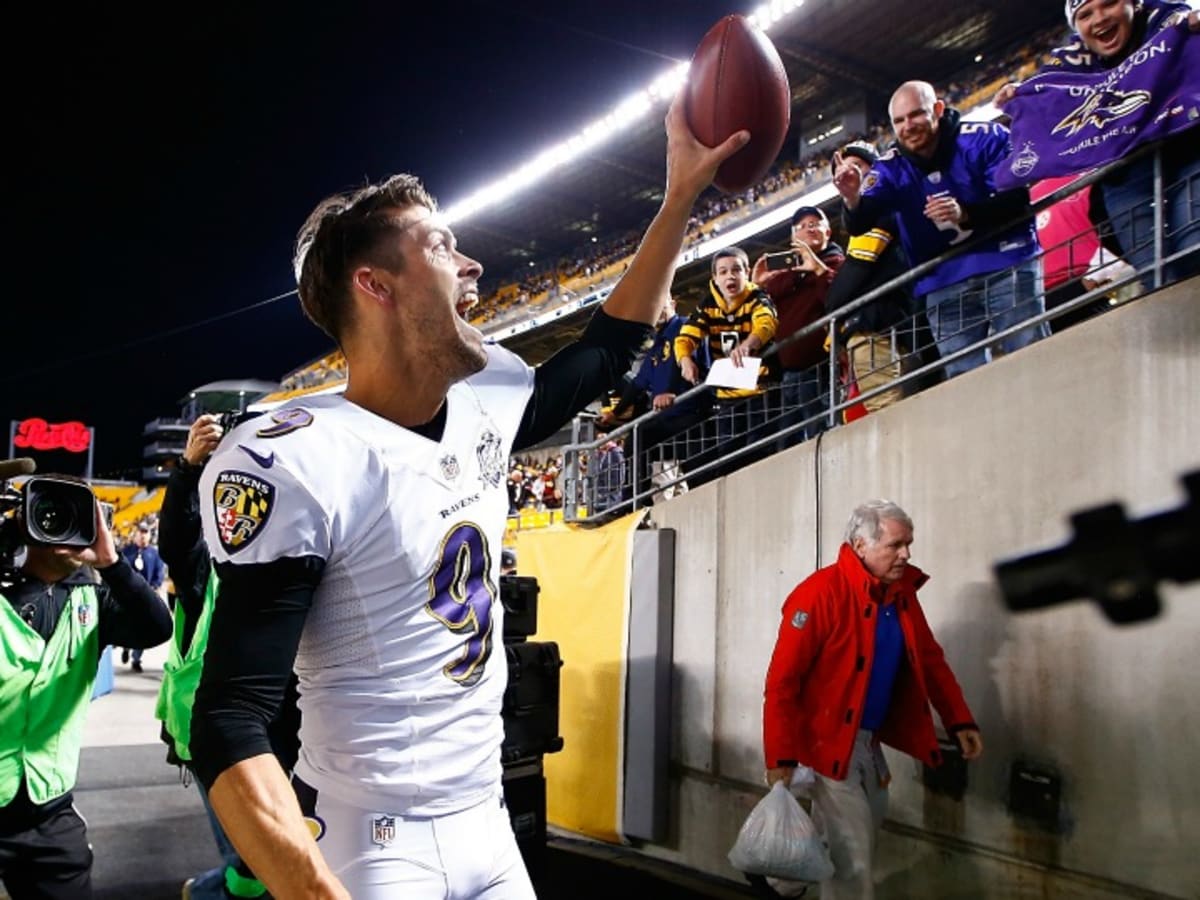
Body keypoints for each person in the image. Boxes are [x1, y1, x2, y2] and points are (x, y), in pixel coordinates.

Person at [189, 90, 749, 900]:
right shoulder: (300, 456)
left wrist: (680, 199)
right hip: (372, 842)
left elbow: (606, 351)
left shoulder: (484, 404)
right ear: (375, 286)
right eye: (443, 245)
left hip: (487, 816)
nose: (474, 263)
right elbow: (229, 719)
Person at [762, 500, 983, 900]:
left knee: (862, 825)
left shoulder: (900, 596)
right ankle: (791, 882)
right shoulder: (818, 595)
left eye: (909, 544)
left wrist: (959, 720)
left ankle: (782, 882)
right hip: (825, 742)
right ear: (861, 546)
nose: (907, 554)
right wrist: (779, 757)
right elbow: (782, 683)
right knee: (854, 856)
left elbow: (929, 660)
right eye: (896, 545)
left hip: (864, 742)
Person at [1, 491, 172, 898]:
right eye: (52, 513)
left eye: (81, 517)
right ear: (25, 522)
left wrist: (113, 565)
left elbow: (156, 628)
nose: (67, 526)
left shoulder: (94, 601)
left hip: (50, 816)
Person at [155, 414, 294, 900]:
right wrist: (190, 468)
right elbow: (175, 543)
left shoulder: (293, 559)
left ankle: (211, 888)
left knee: (270, 856)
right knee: (252, 860)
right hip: (214, 734)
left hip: (287, 731)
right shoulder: (204, 567)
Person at [834, 80, 1048, 379]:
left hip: (1005, 261)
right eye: (899, 120)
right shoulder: (890, 168)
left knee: (1032, 359)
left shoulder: (984, 138)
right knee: (965, 381)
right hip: (943, 283)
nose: (908, 126)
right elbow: (859, 223)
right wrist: (852, 198)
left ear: (938, 108)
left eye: (915, 115)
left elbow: (1017, 198)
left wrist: (966, 213)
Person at [994, 0, 1199, 283]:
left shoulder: (1166, 17)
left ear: (1134, 4)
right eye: (1085, 14)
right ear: (1076, 26)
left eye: (1109, 4)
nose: (1099, 19)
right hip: (1124, 178)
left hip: (1190, 154)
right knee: (1158, 275)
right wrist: (1021, 94)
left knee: (1194, 248)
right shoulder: (1074, 55)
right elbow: (1046, 83)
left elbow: (1182, 23)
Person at [824, 141, 937, 412]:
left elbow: (854, 275)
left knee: (889, 414)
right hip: (898, 326)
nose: (848, 173)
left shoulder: (885, 210)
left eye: (857, 166)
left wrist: (831, 309)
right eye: (842, 169)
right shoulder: (864, 220)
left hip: (881, 329)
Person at [674, 246, 778, 479]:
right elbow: (685, 338)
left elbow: (767, 323)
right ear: (715, 278)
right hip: (727, 397)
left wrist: (749, 343)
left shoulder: (758, 297)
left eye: (736, 270)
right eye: (723, 272)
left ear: (746, 272)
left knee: (760, 452)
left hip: (760, 392)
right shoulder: (707, 305)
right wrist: (685, 360)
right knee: (728, 457)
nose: (730, 276)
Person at [750, 205, 844, 448]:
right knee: (787, 445)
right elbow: (762, 316)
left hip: (823, 366)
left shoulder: (838, 263)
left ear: (828, 232)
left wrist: (817, 269)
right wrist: (756, 287)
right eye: (801, 227)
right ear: (793, 238)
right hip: (790, 373)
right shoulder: (784, 274)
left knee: (823, 437)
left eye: (814, 224)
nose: (808, 229)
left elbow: (839, 299)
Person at [597, 293, 706, 501]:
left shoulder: (685, 327)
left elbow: (686, 361)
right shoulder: (656, 345)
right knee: (638, 439)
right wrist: (615, 413)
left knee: (698, 472)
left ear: (673, 304)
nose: (656, 312)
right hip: (667, 418)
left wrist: (671, 391)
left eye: (660, 305)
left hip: (691, 413)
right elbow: (639, 383)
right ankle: (633, 503)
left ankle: (704, 496)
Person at [119, 520, 165, 672]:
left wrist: (155, 587)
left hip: (146, 595)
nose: (143, 537)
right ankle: (126, 645)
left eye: (146, 533)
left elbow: (159, 573)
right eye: (141, 533)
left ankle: (136, 659)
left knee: (143, 627)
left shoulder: (154, 554)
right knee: (127, 624)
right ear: (136, 535)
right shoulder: (127, 551)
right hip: (128, 594)